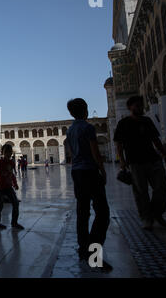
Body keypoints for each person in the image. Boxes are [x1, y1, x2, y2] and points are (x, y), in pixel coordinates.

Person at [66, 98, 111, 271]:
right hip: (90, 171)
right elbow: (95, 152)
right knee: (102, 213)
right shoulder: (88, 127)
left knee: (82, 211)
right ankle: (93, 254)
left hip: (77, 172)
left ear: (71, 113)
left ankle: (83, 249)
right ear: (85, 110)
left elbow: (71, 153)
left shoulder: (70, 130)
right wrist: (103, 170)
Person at [114, 96, 166, 230]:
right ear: (130, 107)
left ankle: (156, 213)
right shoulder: (123, 123)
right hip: (135, 162)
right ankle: (147, 218)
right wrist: (121, 161)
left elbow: (155, 140)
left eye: (141, 105)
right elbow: (118, 144)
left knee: (162, 186)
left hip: (153, 159)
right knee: (141, 192)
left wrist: (165, 155)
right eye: (137, 106)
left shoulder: (147, 120)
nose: (140, 108)